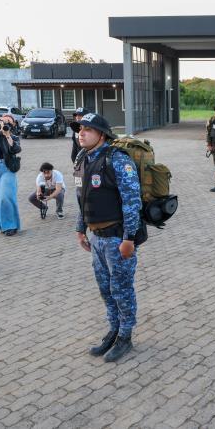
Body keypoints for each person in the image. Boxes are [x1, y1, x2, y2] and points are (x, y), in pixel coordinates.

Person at [73, 113, 141, 362]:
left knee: (121, 289)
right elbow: (81, 197)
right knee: (105, 289)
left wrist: (129, 238)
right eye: (80, 128)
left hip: (116, 239)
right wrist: (80, 229)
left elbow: (132, 202)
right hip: (97, 239)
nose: (81, 132)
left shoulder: (118, 160)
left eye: (87, 129)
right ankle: (114, 329)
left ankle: (126, 335)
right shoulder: (82, 158)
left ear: (102, 134)